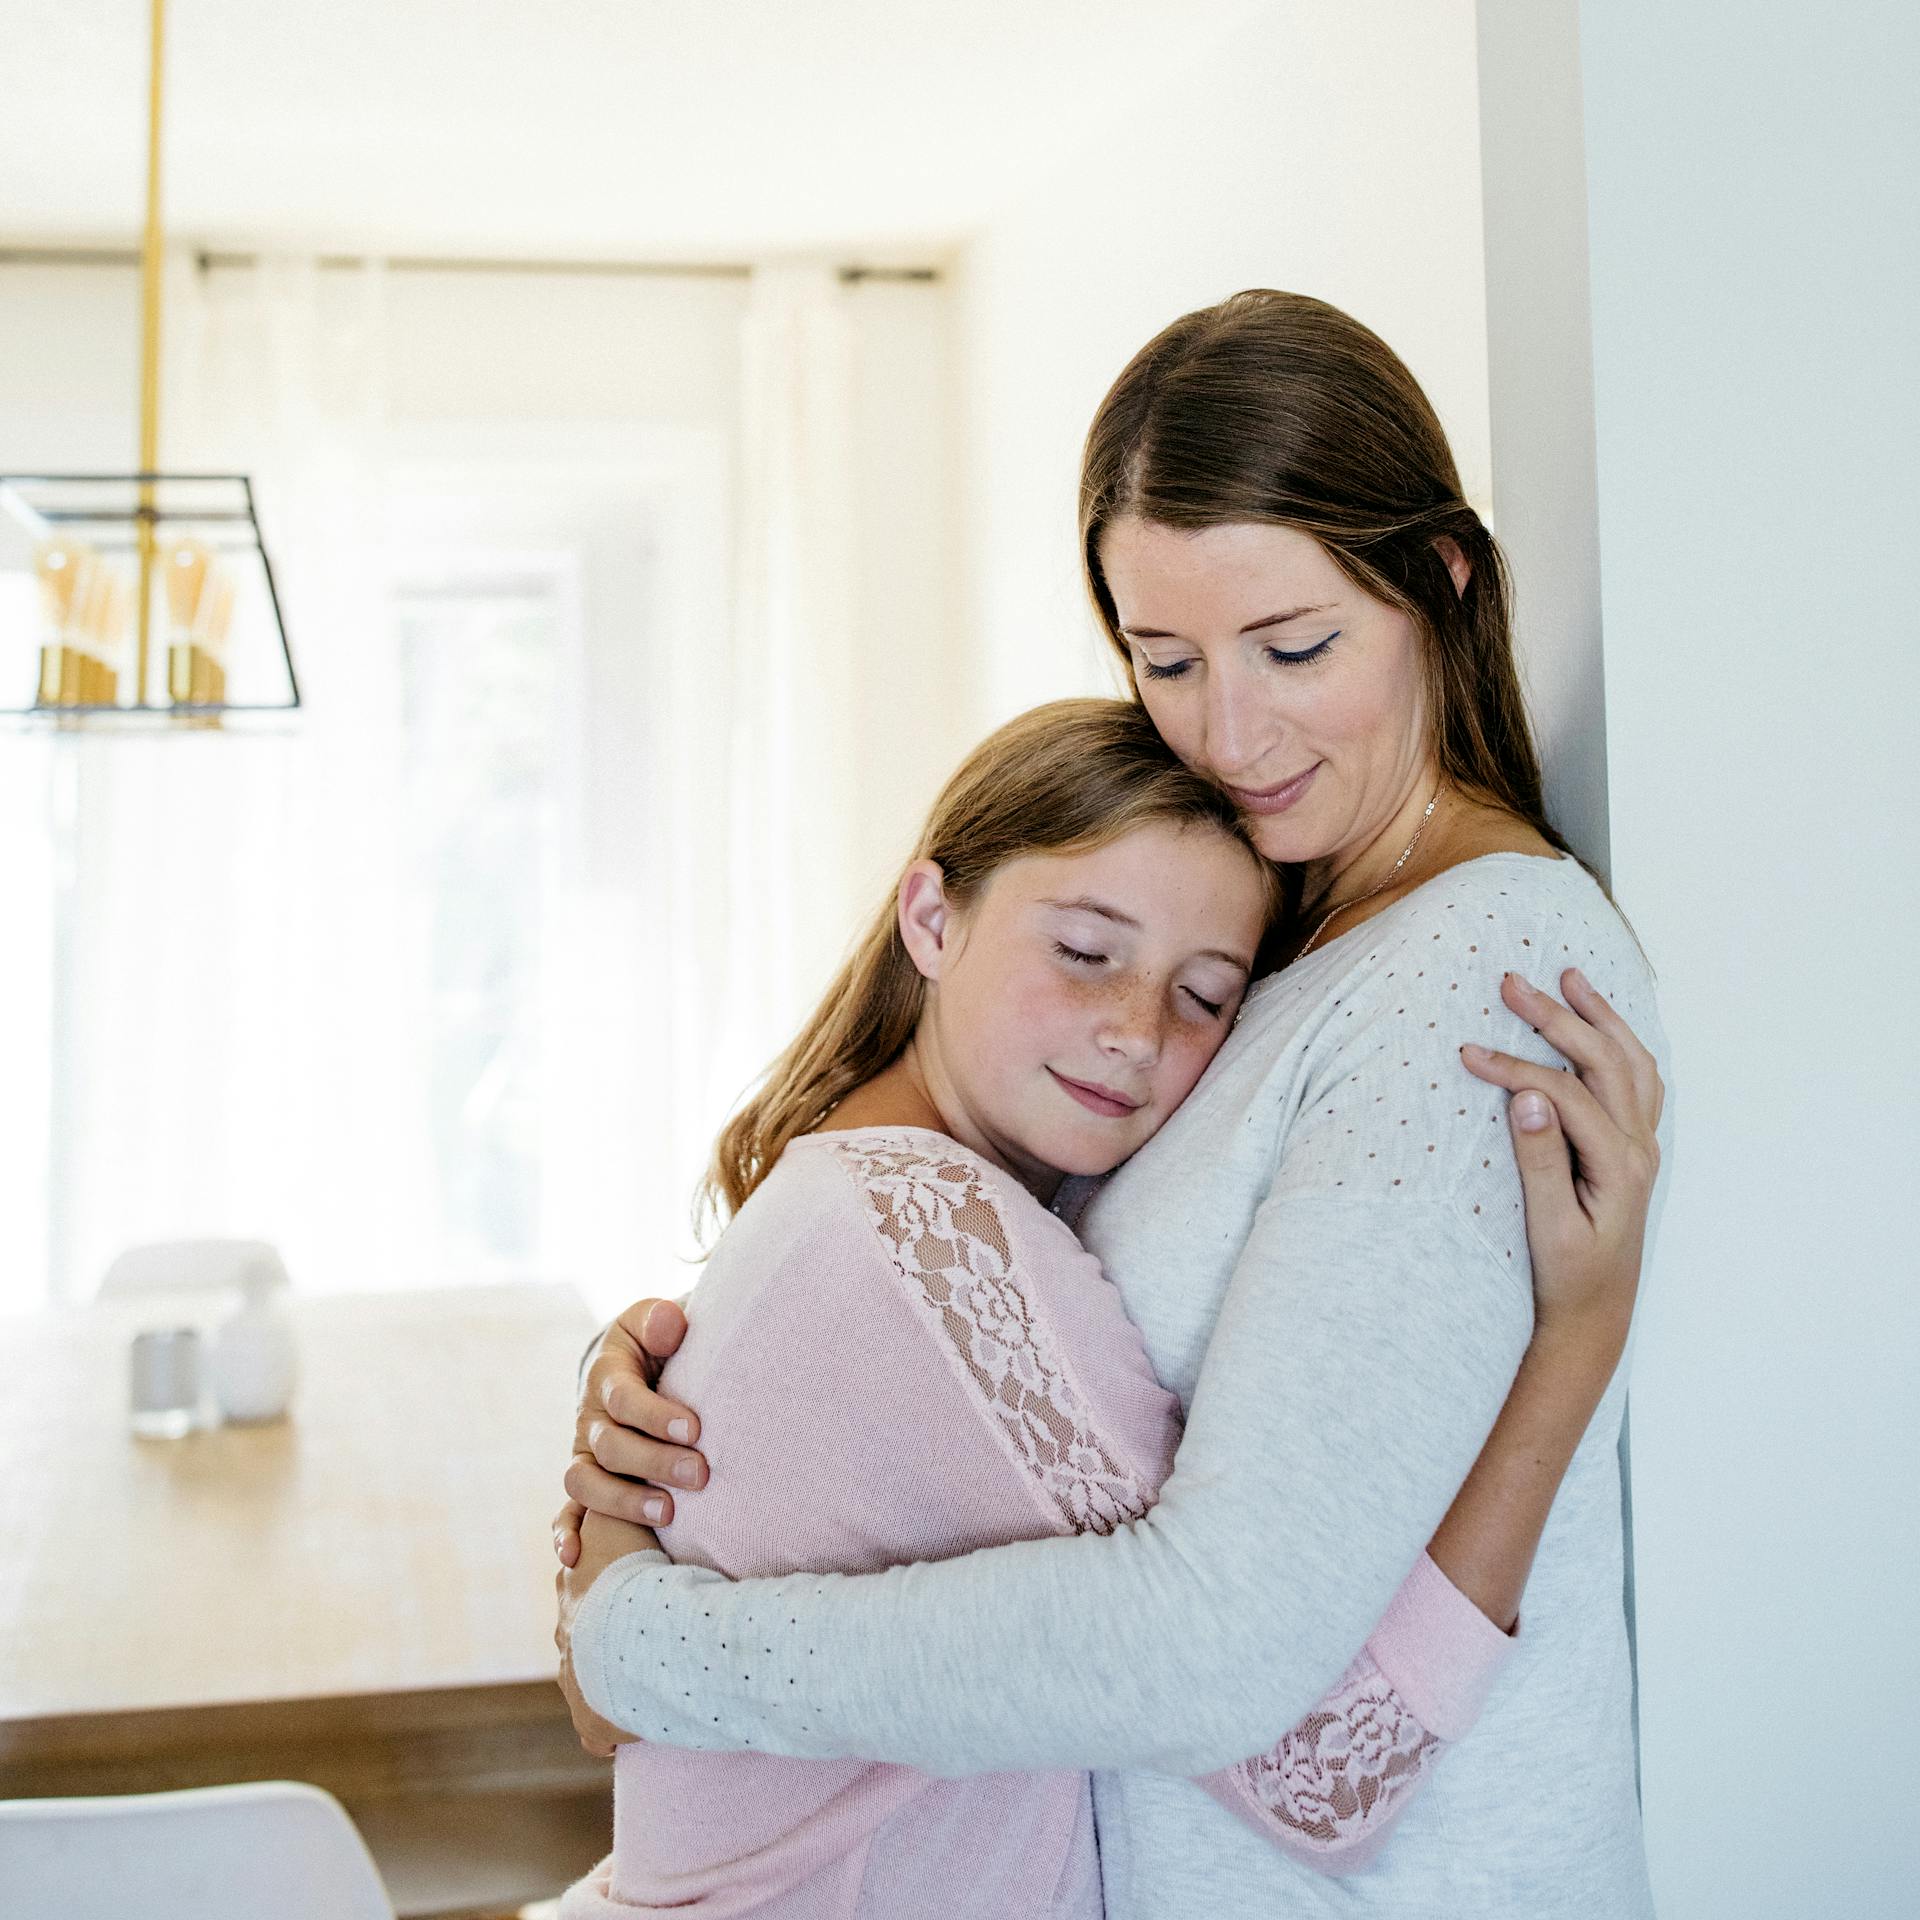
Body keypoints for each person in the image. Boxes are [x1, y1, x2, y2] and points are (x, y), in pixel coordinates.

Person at [555, 290, 1669, 1917]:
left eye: (1296, 648)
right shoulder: (1275, 923)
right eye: (1166, 659)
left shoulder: (1477, 963)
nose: (1230, 731)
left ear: (1434, 581)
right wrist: (675, 1399)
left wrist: (665, 1643)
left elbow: (1238, 1670)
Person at [557, 697, 1568, 1916]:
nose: (1136, 1033)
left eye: (1204, 996)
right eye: (1086, 952)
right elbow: (1322, 1770)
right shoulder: (929, 1240)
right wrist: (1578, 1336)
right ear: (933, 918)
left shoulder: (851, 1188)